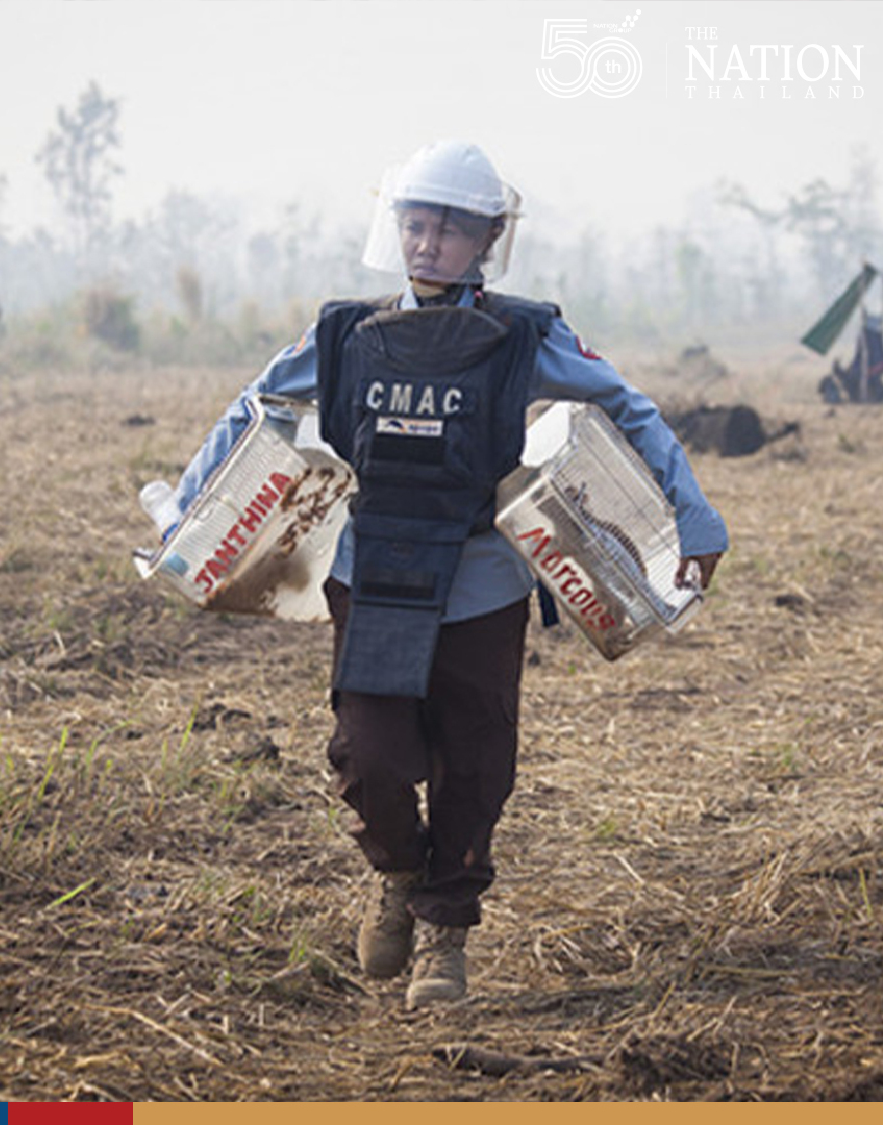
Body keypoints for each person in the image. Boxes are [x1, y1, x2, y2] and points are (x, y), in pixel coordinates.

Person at [161, 140, 728, 1008]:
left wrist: (694, 514)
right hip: (375, 570)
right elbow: (256, 404)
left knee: (475, 760)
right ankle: (395, 870)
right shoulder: (346, 334)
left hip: (481, 581)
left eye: (448, 229)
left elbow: (629, 405)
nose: (427, 243)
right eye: (414, 225)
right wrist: (187, 512)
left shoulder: (522, 336)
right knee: (367, 754)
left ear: (487, 240)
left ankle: (444, 935)